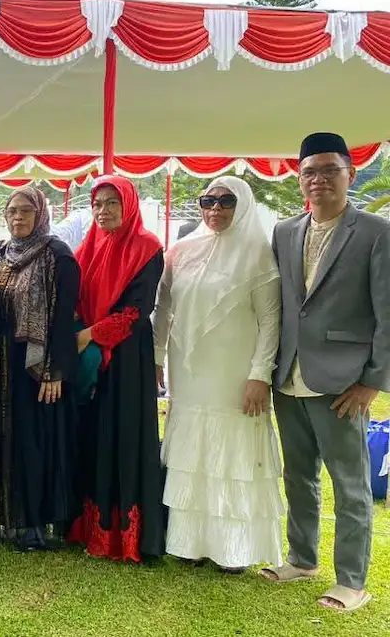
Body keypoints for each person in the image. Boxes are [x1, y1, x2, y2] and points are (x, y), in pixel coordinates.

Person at [260, 132, 389, 613]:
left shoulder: (376, 233)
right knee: (298, 476)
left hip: (343, 383)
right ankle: (302, 557)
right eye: (309, 172)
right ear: (299, 179)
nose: (319, 180)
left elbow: (387, 315)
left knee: (350, 485)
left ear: (350, 174)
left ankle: (352, 581)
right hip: (287, 376)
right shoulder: (284, 232)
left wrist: (373, 381)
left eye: (329, 170)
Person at [154, 176, 283, 573]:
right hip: (190, 372)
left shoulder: (259, 253)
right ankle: (191, 543)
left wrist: (260, 374)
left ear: (242, 204)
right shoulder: (182, 250)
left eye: (226, 201)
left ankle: (232, 549)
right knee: (193, 455)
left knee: (233, 456)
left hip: (236, 373)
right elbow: (163, 307)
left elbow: (271, 321)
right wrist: (157, 356)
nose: (215, 209)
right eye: (207, 200)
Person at [66, 175, 165, 563]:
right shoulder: (88, 246)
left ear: (128, 204)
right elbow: (73, 295)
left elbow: (137, 310)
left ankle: (122, 538)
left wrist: (91, 334)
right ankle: (88, 527)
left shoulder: (147, 248)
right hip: (89, 358)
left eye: (112, 203)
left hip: (126, 360)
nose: (103, 211)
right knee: (92, 436)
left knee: (121, 436)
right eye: (97, 204)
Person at [0, 186, 81, 552]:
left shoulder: (57, 255)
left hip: (37, 368)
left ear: (40, 213)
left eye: (25, 211)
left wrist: (55, 369)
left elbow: (64, 317)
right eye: (11, 211)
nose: (17, 218)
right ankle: (4, 519)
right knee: (3, 437)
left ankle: (38, 525)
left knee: (36, 440)